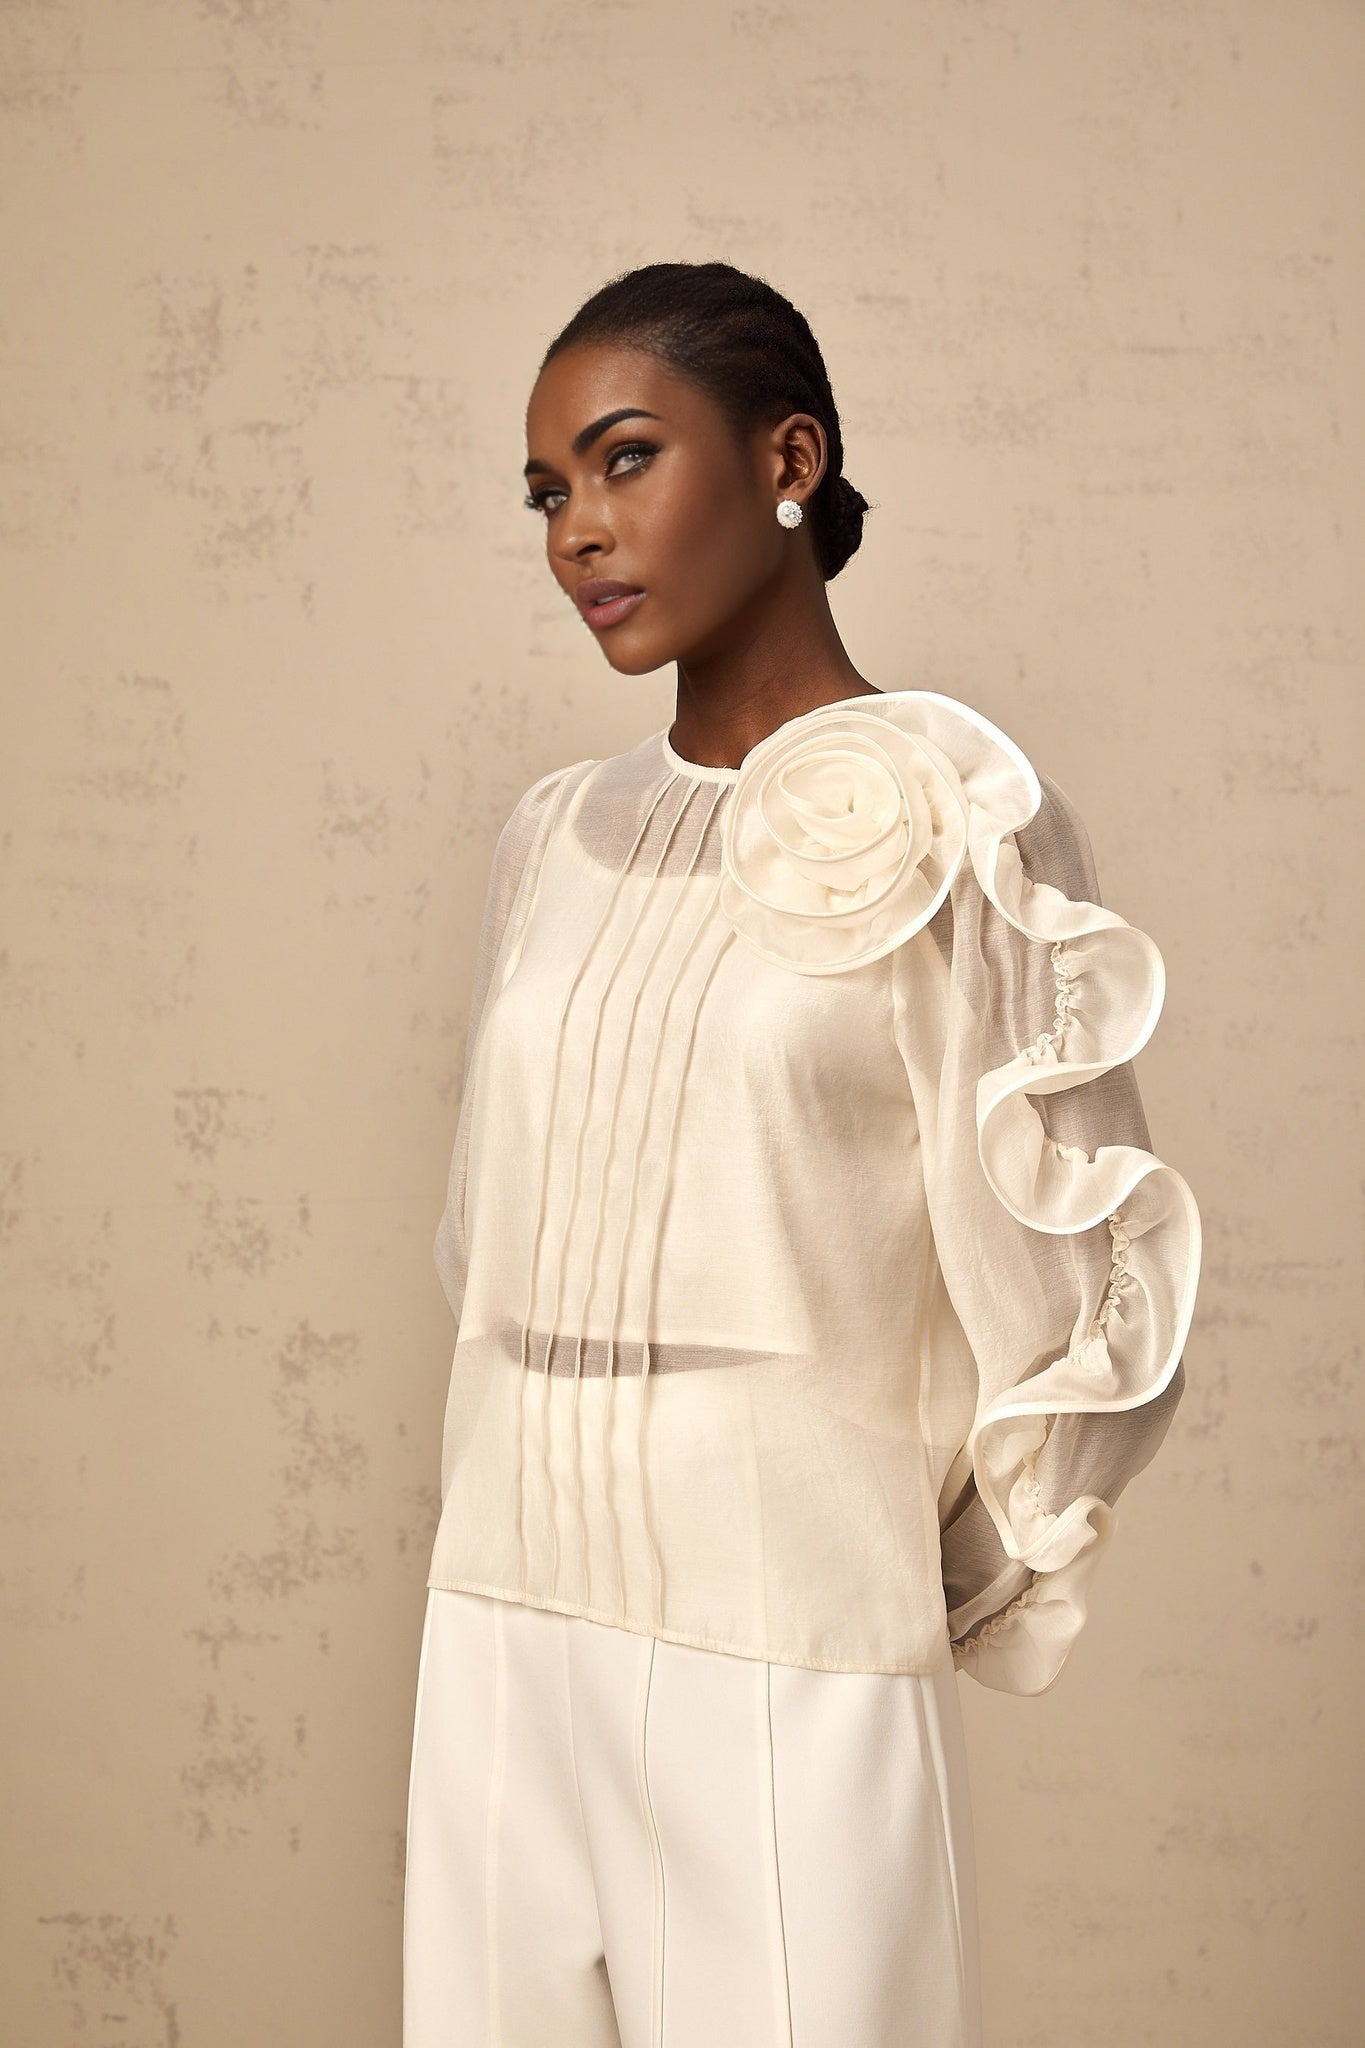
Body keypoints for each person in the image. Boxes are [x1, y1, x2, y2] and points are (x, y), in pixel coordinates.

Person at [401, 260, 1201, 2048]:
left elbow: (1082, 1294)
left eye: (622, 462)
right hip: (501, 1614)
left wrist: (872, 1551)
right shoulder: (553, 832)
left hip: (784, 1625)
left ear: (787, 458)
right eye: (548, 492)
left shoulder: (956, 813)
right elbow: (489, 1239)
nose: (576, 533)